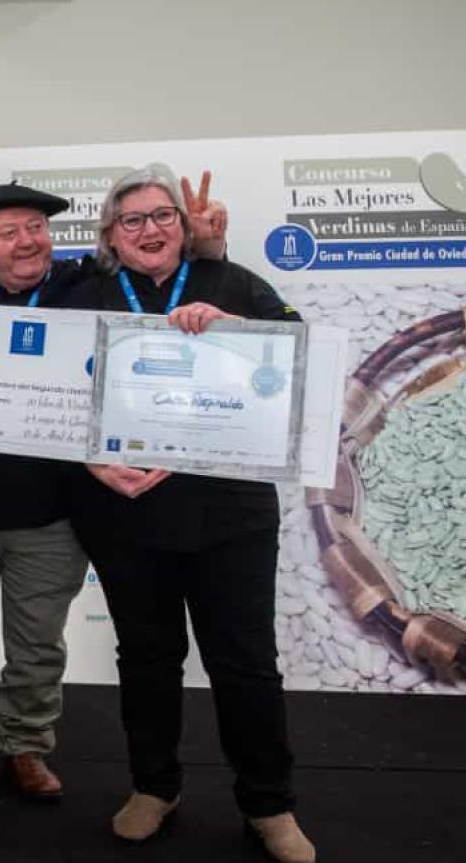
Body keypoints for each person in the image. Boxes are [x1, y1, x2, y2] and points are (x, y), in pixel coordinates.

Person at [0, 178, 231, 801]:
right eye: (9, 233)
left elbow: (162, 271)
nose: (27, 242)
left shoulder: (88, 285)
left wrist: (209, 246)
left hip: (55, 511)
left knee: (37, 640)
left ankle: (27, 747)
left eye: (36, 228)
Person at [69, 166, 313, 863]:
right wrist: (90, 462)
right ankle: (154, 787)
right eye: (132, 220)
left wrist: (239, 332)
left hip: (231, 515)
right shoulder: (84, 295)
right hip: (126, 515)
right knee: (147, 660)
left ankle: (269, 804)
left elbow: (299, 349)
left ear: (184, 224)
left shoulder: (232, 283)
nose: (149, 230)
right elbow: (50, 394)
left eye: (162, 216)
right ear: (110, 235)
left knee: (246, 664)